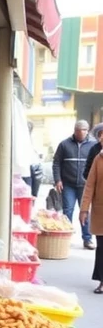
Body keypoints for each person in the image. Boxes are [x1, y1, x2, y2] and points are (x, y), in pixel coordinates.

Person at [53, 120, 96, 249]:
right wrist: (57, 180)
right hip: (68, 185)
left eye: (83, 130)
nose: (80, 133)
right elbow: (56, 163)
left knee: (85, 212)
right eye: (78, 130)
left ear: (87, 131)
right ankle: (65, 238)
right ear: (74, 130)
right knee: (67, 211)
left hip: (85, 185)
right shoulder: (64, 145)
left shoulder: (93, 146)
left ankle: (87, 239)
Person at [82, 150, 103, 294]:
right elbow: (90, 185)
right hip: (101, 211)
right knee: (102, 247)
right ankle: (102, 281)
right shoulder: (99, 158)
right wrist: (84, 209)